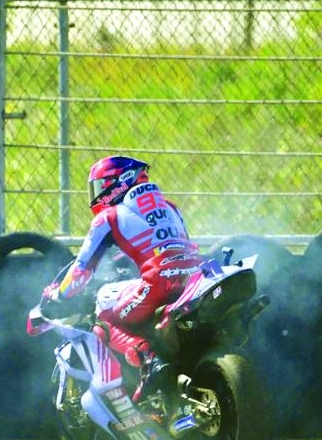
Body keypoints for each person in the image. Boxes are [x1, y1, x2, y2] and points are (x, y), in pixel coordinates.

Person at [43, 155, 204, 402]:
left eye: (101, 186)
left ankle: (149, 359)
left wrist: (59, 294)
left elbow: (81, 271)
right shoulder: (170, 207)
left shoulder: (108, 217)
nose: (97, 194)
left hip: (157, 282)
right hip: (194, 278)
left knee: (103, 313)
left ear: (118, 183)